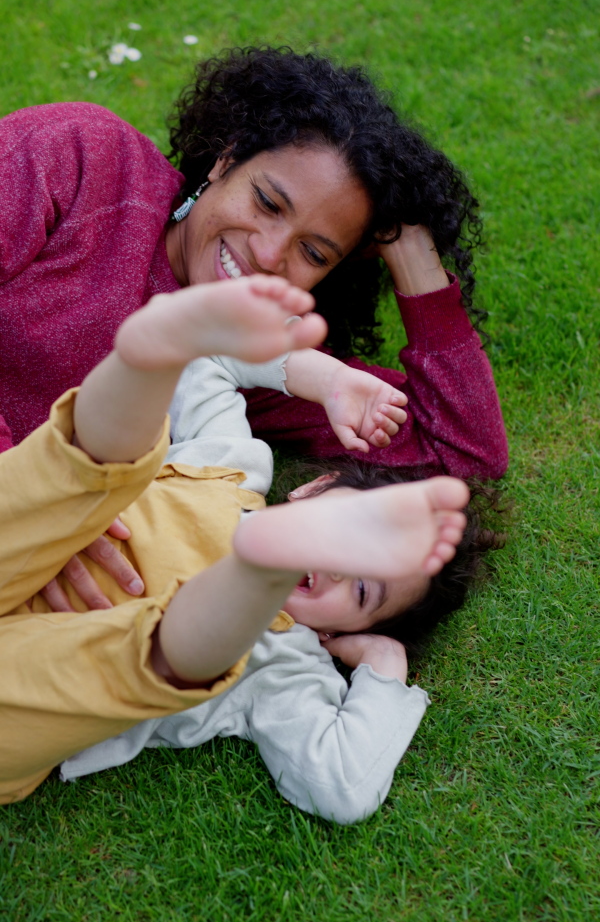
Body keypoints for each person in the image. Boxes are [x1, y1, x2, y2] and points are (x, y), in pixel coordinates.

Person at [0, 46, 507, 611]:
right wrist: (30, 511)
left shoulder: (255, 362)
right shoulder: (84, 155)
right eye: (267, 202)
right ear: (226, 159)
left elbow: (463, 456)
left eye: (313, 252)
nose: (268, 253)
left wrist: (409, 246)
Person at [0, 274, 470, 813]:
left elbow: (341, 786)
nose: (336, 567)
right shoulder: (234, 467)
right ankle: (144, 362)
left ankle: (250, 582)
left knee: (139, 663)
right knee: (76, 482)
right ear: (313, 488)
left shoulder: (287, 667)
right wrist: (328, 379)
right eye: (350, 535)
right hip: (31, 546)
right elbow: (210, 364)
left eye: (363, 586)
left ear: (341, 632)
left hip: (36, 675)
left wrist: (385, 668)